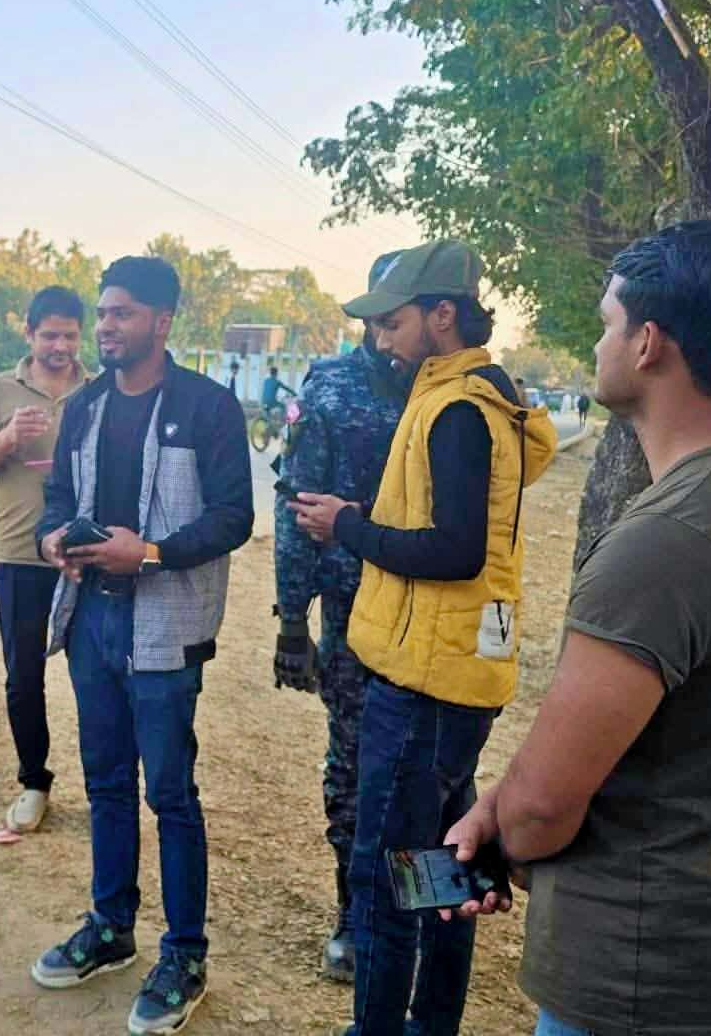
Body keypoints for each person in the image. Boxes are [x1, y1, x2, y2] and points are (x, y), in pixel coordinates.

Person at [444, 220, 711, 1036]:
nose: (599, 344)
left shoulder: (669, 538)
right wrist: (503, 809)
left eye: (607, 323)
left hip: (636, 980)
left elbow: (543, 808)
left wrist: (507, 827)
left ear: (649, 343)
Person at [288, 239, 557, 1036]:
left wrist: (348, 526)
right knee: (442, 861)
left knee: (385, 880)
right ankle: (431, 1024)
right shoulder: (475, 396)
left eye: (393, 322)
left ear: (443, 315)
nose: (381, 339)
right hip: (450, 673)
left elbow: (455, 551)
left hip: (425, 681)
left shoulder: (458, 411)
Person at [30, 256, 254, 1036]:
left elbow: (233, 517)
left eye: (121, 313)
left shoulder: (207, 406)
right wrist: (54, 537)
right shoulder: (87, 405)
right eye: (102, 313)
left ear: (162, 321)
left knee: (170, 792)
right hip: (92, 620)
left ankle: (185, 954)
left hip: (164, 625)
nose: (106, 327)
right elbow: (57, 498)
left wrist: (151, 553)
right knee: (105, 783)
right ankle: (111, 925)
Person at [271, 253, 409, 982]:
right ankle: (354, 916)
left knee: (431, 768)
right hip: (354, 618)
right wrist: (293, 619)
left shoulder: (455, 390)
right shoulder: (329, 387)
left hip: (435, 614)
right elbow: (296, 505)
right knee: (354, 766)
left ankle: (417, 910)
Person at [0, 285, 90, 834]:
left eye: (70, 336)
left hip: (87, 553)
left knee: (97, 674)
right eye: (50, 335)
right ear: (29, 334)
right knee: (23, 677)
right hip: (18, 553)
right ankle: (34, 782)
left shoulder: (100, 389)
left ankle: (106, 787)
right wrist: (10, 437)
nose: (60, 346)